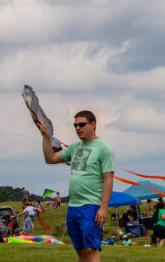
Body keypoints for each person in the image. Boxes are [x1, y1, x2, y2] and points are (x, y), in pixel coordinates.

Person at [36, 109, 114, 262]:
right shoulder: (74, 147)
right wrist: (45, 136)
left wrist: (103, 207)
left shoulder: (104, 149)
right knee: (81, 252)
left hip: (91, 206)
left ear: (93, 125)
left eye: (82, 124)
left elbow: (108, 179)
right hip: (73, 207)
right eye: (75, 125)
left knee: (91, 250)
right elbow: (50, 158)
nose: (78, 128)